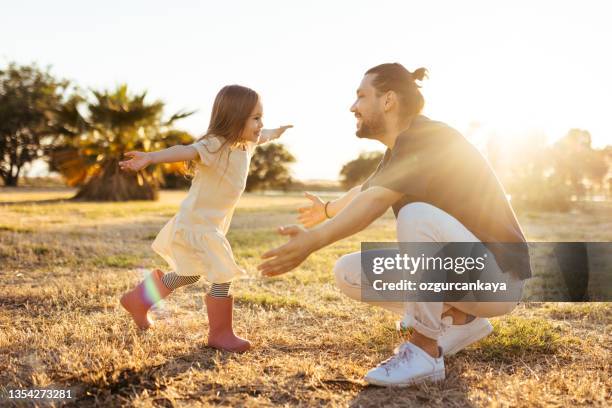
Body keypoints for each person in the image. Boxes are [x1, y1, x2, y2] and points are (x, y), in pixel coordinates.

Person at [259, 63, 530, 385]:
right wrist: (328, 210)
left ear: (388, 100)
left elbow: (373, 202)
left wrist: (313, 240)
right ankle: (461, 321)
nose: (352, 106)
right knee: (350, 272)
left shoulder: (430, 137)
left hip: (496, 280)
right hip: (469, 279)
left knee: (417, 215)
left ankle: (425, 350)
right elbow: (364, 190)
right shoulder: (401, 149)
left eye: (361, 96)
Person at [118, 84, 292, 352]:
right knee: (222, 270)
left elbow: (265, 135)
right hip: (197, 224)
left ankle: (139, 300)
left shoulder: (247, 143)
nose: (261, 124)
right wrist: (151, 157)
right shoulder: (214, 145)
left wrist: (277, 132)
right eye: (255, 118)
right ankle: (220, 334)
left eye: (262, 117)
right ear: (235, 117)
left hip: (208, 224)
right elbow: (185, 150)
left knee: (188, 275)